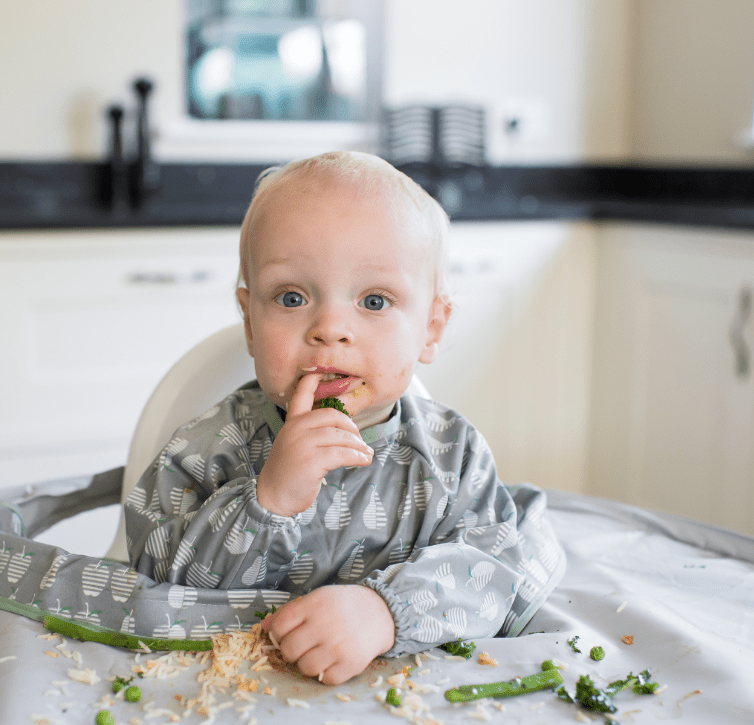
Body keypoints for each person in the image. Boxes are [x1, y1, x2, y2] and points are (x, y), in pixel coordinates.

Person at [124, 151, 565, 685]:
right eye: (291, 297)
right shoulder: (203, 452)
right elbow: (152, 583)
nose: (330, 327)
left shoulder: (454, 456)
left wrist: (386, 614)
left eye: (374, 301)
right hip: (224, 694)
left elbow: (496, 574)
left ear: (431, 328)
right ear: (250, 322)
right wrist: (267, 502)